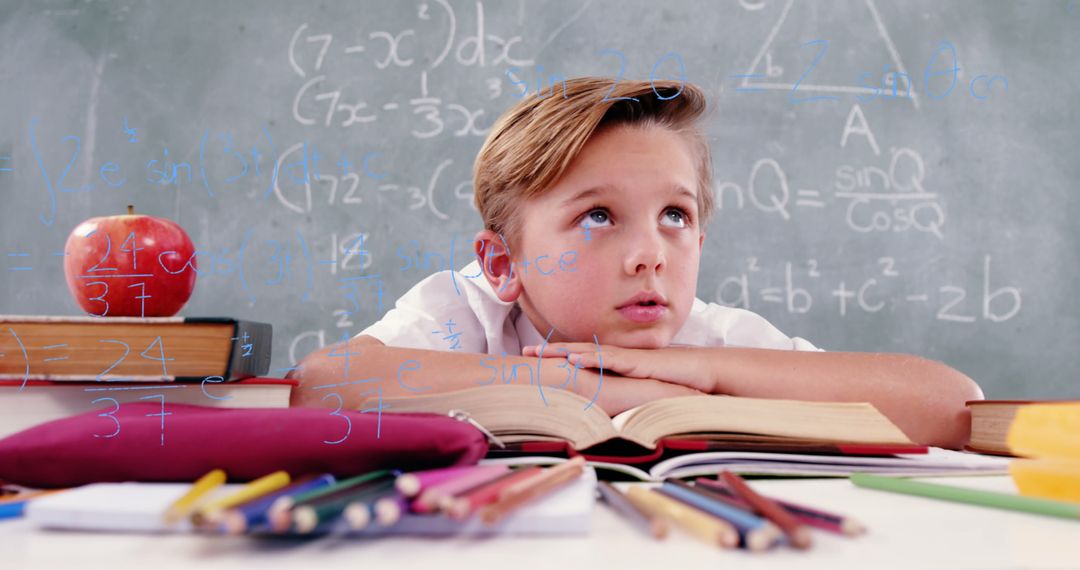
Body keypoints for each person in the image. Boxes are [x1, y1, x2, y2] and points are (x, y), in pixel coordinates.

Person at [289, 77, 982, 449]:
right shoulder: (464, 311)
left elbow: (955, 407)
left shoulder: (709, 343)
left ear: (700, 243)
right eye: (598, 217)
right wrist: (613, 395)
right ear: (503, 263)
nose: (651, 254)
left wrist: (703, 375)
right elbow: (323, 384)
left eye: (676, 217)